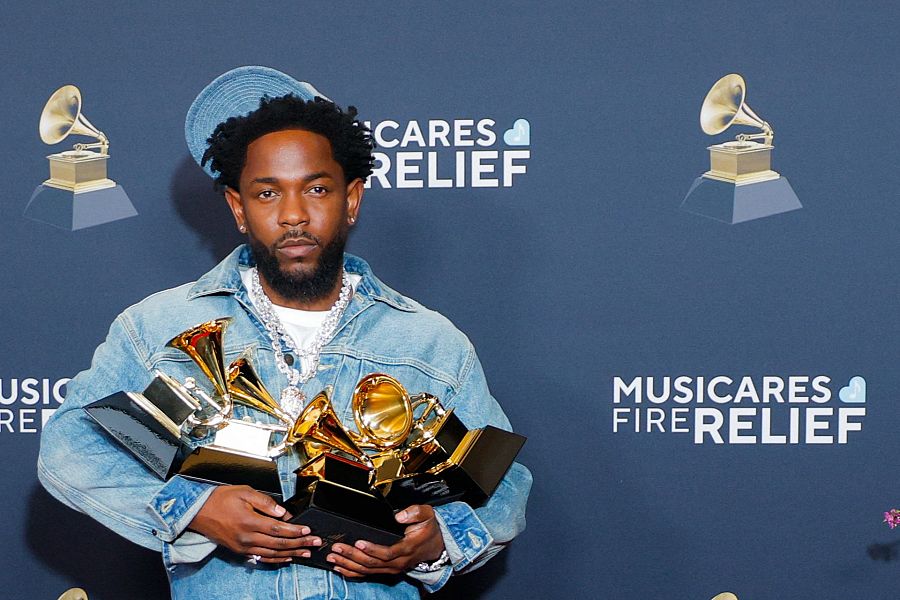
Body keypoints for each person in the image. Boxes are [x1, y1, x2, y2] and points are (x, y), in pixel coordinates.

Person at [37, 66, 532, 599]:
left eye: (316, 189)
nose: (294, 215)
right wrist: (194, 511)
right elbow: (69, 445)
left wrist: (438, 540)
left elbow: (504, 483)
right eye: (267, 193)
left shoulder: (430, 342)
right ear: (238, 209)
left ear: (352, 199)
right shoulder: (156, 327)